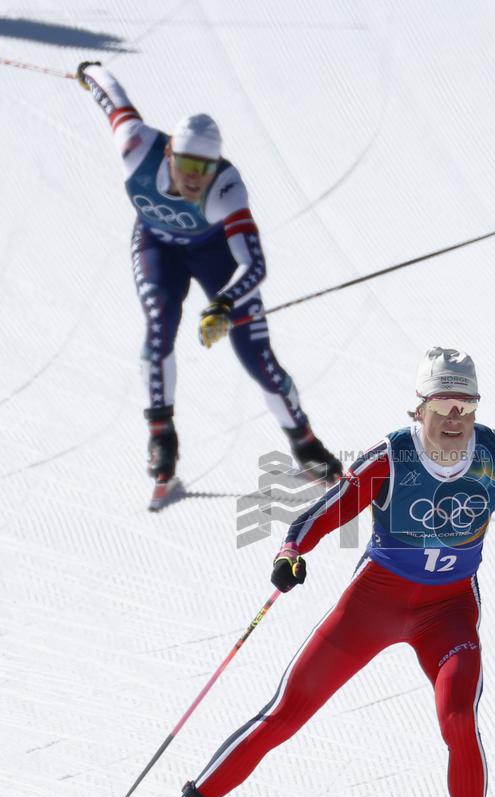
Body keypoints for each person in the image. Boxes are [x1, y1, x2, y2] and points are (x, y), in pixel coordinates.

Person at [101, 347, 495, 797]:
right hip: (373, 605)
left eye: (466, 405)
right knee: (284, 713)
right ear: (420, 407)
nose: (455, 417)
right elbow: (330, 508)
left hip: (449, 612)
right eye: (444, 404)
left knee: (460, 718)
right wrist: (293, 550)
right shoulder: (390, 458)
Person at [75, 61, 342, 495]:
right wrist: (89, 70)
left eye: (206, 166)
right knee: (159, 321)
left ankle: (305, 442)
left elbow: (253, 264)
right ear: (169, 153)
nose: (196, 177)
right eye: (187, 164)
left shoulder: (226, 188)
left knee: (258, 358)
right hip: (157, 247)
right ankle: (161, 435)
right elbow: (113, 99)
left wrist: (223, 303)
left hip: (216, 259)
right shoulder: (136, 147)